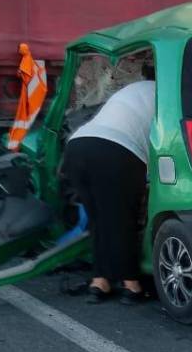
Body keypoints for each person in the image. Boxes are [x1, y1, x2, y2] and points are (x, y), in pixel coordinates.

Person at [58, 71, 155, 305]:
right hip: (115, 151)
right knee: (123, 219)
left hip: (78, 147)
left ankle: (100, 282)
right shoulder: (167, 97)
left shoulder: (134, 90)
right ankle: (131, 284)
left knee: (99, 219)